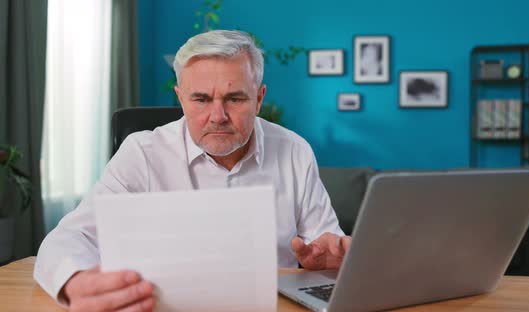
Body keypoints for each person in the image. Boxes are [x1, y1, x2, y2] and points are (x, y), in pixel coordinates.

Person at [33, 30, 352, 311]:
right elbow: (69, 237)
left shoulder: (294, 151)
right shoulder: (142, 153)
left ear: (259, 98)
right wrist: (75, 283)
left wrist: (331, 261)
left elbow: (326, 244)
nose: (218, 116)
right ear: (180, 98)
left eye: (235, 98)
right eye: (200, 99)